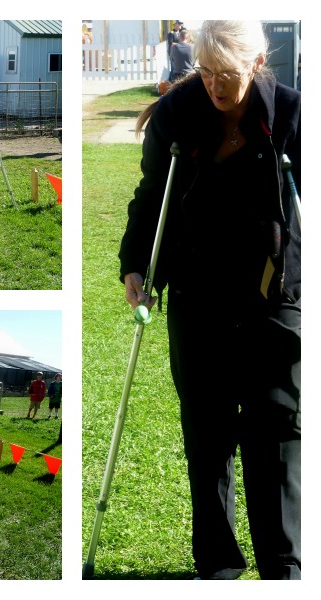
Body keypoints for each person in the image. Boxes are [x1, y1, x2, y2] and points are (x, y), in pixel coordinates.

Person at [119, 20, 300, 580]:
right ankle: (217, 568)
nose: (215, 86)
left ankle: (284, 569)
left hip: (274, 294)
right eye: (204, 71)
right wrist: (134, 265)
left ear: (257, 61)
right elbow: (151, 197)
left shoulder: (294, 114)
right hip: (199, 295)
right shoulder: (177, 115)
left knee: (277, 431)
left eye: (227, 73)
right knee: (208, 433)